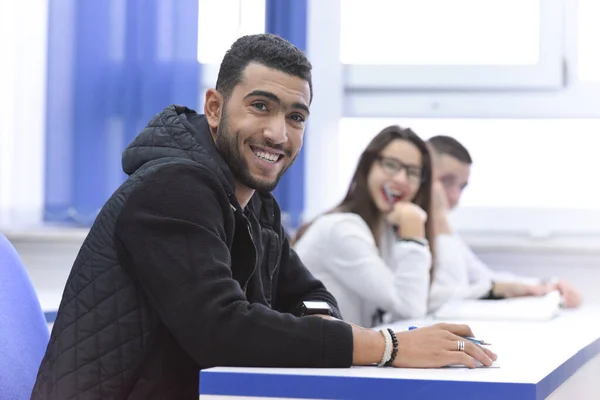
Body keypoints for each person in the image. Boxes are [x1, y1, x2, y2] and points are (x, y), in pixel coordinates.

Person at [31, 35, 496, 400]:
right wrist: (387, 348)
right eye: (260, 106)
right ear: (215, 108)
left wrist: (323, 326)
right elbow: (222, 329)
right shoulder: (172, 191)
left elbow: (309, 293)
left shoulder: (256, 203)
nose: (278, 133)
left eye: (296, 117)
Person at [293, 126, 434, 328]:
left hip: (343, 352)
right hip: (311, 355)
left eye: (412, 172)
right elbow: (410, 308)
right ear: (368, 166)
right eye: (391, 165)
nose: (401, 179)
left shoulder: (384, 231)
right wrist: (413, 237)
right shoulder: (343, 228)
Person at [426, 135, 582, 311]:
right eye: (446, 181)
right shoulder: (409, 228)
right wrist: (439, 218)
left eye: (461, 187)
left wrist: (546, 285)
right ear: (422, 175)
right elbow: (451, 293)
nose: (455, 196)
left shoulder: (444, 231)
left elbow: (482, 277)